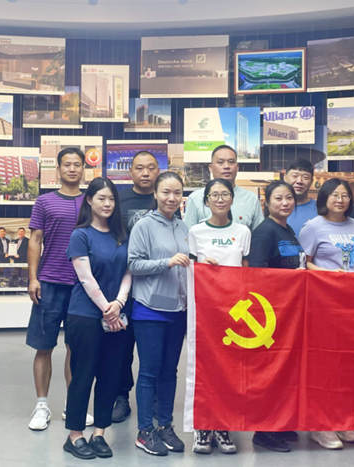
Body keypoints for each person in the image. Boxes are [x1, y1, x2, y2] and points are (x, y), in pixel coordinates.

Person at [298, 178, 354, 449]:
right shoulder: (312, 227)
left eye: (345, 195)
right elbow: (303, 264)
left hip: (353, 305)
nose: (340, 200)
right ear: (324, 198)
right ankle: (320, 426)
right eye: (334, 195)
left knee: (347, 364)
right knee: (324, 365)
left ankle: (341, 420)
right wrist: (329, 275)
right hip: (323, 303)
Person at [63, 177, 131, 460]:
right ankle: (75, 435)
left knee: (110, 376)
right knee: (83, 375)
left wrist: (119, 303)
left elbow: (129, 271)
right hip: (85, 316)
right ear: (89, 200)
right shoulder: (81, 235)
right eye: (101, 198)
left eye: (112, 199)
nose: (107, 204)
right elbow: (86, 278)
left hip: (116, 314)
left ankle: (99, 433)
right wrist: (107, 308)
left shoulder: (121, 234)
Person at [26, 148, 92, 431]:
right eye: (67, 164)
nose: (73, 169)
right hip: (50, 284)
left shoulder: (91, 201)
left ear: (83, 169)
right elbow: (35, 240)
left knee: (75, 348)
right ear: (58, 168)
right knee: (44, 346)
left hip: (82, 286)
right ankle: (42, 406)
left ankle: (72, 405)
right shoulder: (44, 201)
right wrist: (33, 278)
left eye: (77, 164)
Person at [113, 150, 180, 424]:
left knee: (155, 352)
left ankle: (153, 398)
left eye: (151, 168)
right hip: (123, 282)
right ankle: (121, 396)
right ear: (130, 171)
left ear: (158, 172)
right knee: (122, 347)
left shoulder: (169, 202)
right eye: (139, 168)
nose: (145, 172)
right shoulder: (119, 199)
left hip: (154, 285)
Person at [128, 172, 189, 457]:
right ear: (155, 193)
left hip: (178, 310)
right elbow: (133, 264)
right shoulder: (143, 225)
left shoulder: (183, 226)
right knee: (149, 372)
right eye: (166, 192)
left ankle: (165, 425)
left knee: (169, 371)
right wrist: (166, 262)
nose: (171, 198)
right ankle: (145, 431)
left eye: (177, 193)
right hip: (150, 310)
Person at [188, 178, 250, 455]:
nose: (220, 199)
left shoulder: (243, 232)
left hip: (235, 311)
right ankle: (203, 427)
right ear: (206, 201)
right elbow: (189, 268)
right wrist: (201, 266)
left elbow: (246, 271)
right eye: (214, 195)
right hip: (204, 311)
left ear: (232, 199)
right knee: (205, 368)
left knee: (231, 370)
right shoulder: (195, 231)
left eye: (225, 194)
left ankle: (224, 426)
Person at [248, 181, 306, 453]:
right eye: (279, 198)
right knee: (270, 373)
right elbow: (258, 275)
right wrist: (291, 279)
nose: (285, 203)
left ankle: (279, 423)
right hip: (272, 313)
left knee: (285, 371)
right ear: (267, 202)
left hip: (289, 312)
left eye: (289, 198)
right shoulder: (264, 232)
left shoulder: (288, 229)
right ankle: (264, 431)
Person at [184, 145, 264, 231]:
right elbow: (187, 234)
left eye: (231, 162)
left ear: (237, 167)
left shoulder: (251, 198)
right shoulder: (195, 198)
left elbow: (259, 235)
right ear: (211, 168)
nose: (226, 166)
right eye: (220, 162)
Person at [284, 159, 317, 236]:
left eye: (305, 177)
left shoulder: (321, 209)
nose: (299, 181)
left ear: (312, 181)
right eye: (295, 176)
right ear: (285, 178)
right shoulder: (277, 208)